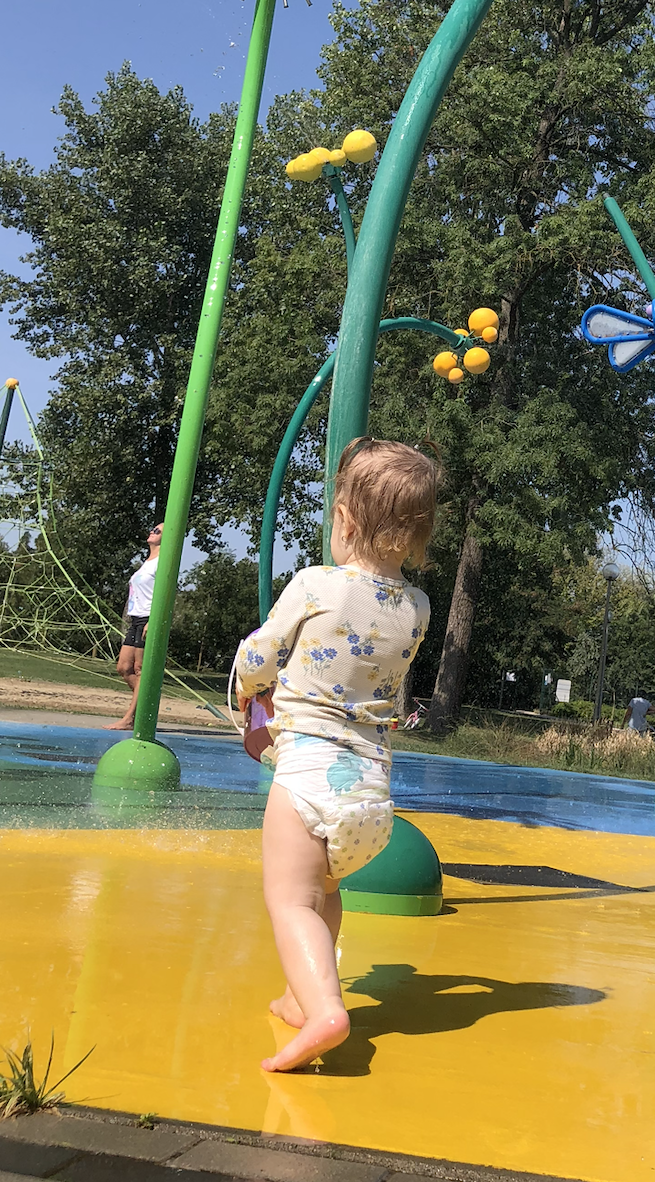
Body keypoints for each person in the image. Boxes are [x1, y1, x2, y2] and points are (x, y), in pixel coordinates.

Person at [233, 437, 435, 1073]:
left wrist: (248, 689)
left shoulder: (315, 583)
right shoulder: (419, 607)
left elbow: (261, 652)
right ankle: (301, 998)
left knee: (290, 900)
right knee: (325, 891)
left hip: (309, 776)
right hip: (372, 792)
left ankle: (326, 1010)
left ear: (344, 520)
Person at [106, 522, 162, 731]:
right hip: (136, 618)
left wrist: (153, 620)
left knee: (140, 669)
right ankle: (146, 704)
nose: (152, 532)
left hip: (148, 618)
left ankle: (130, 718)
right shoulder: (148, 562)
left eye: (157, 531)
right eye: (152, 529)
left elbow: (164, 593)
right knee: (123, 667)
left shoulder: (162, 562)